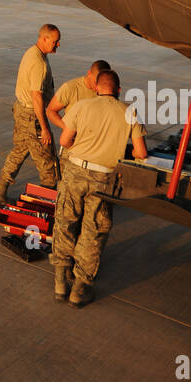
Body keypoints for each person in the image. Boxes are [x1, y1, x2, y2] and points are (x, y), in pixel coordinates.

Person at [51, 69, 147, 307]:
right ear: (118, 90)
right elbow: (141, 153)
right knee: (93, 231)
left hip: (75, 171)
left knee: (65, 221)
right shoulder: (129, 112)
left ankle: (60, 280)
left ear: (96, 88)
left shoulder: (82, 106)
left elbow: (64, 141)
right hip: (103, 179)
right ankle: (80, 288)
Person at [0, 25, 60, 205]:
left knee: (19, 151)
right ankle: (46, 206)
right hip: (32, 116)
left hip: (21, 110)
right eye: (55, 41)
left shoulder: (32, 52)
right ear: (44, 39)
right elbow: (36, 96)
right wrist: (44, 128)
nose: (58, 45)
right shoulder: (39, 63)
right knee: (47, 163)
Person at [46, 59, 112, 164]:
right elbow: (51, 111)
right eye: (96, 82)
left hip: (95, 147)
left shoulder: (106, 91)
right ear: (89, 73)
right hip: (72, 146)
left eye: (101, 82)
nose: (97, 87)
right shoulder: (70, 88)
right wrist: (67, 128)